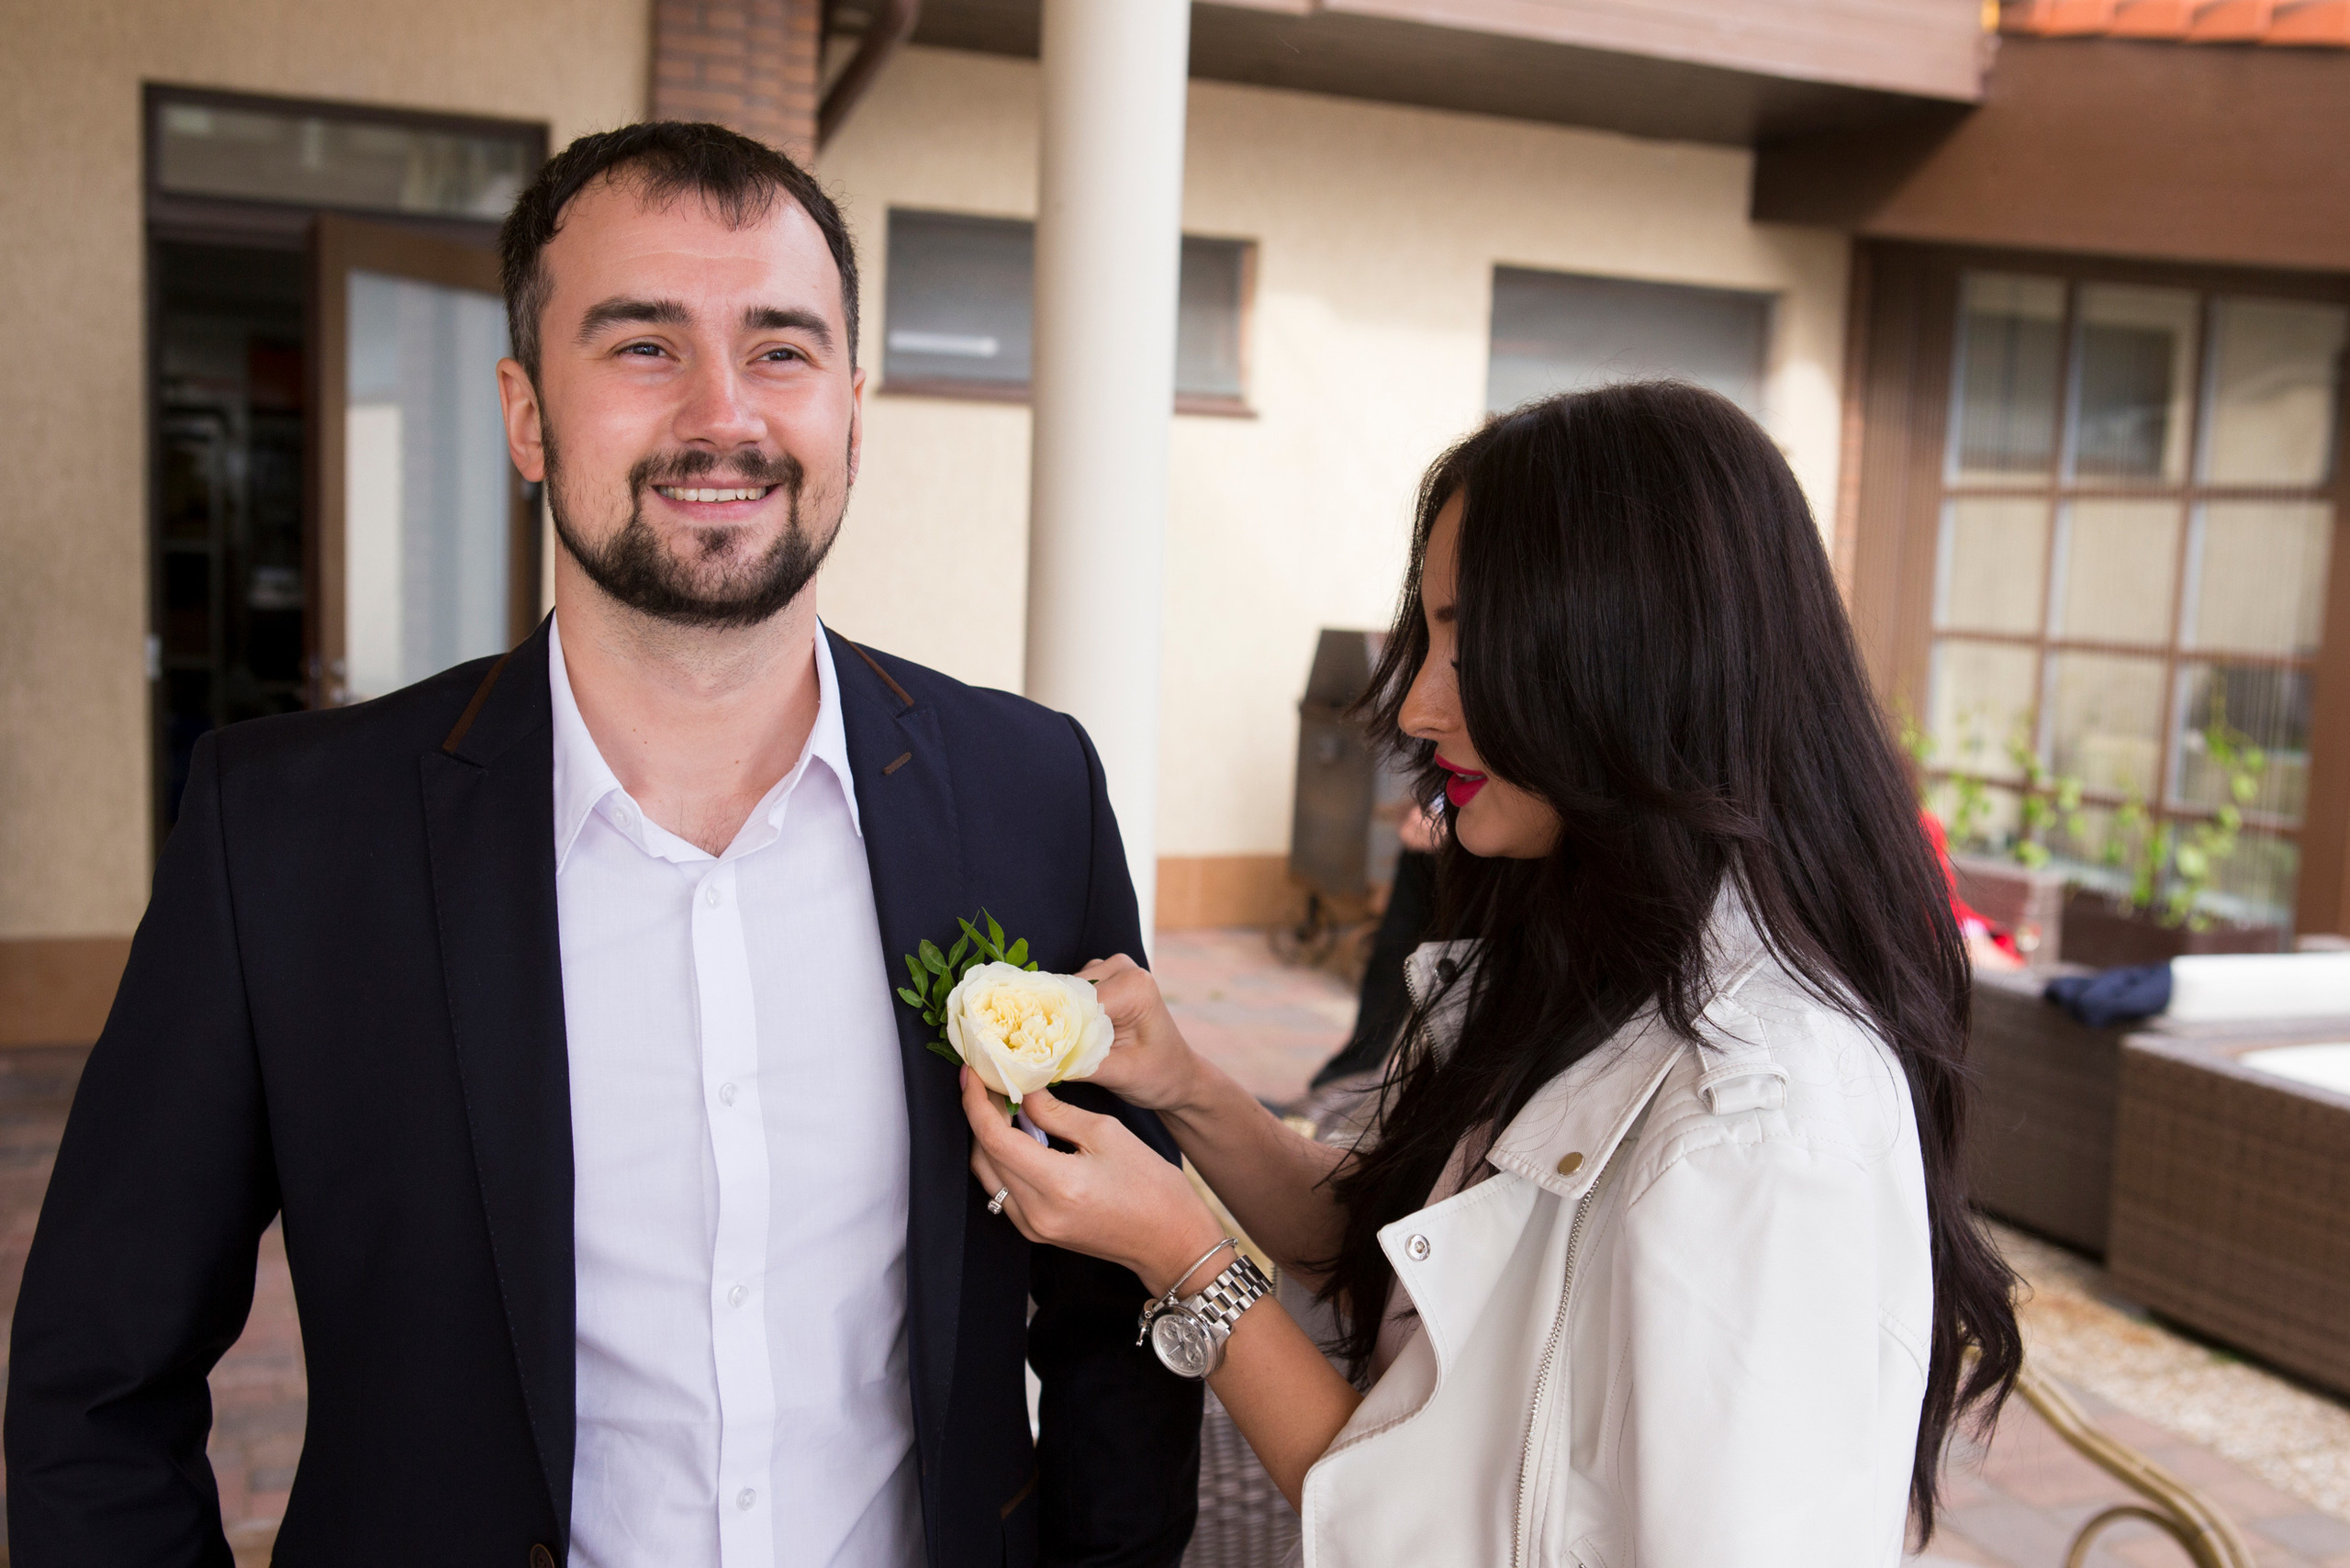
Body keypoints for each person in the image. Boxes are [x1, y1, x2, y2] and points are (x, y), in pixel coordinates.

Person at [5, 123, 1202, 1568]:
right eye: (644, 347)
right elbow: (98, 1384)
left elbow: (1115, 1325)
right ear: (526, 414)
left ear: (853, 411)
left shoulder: (1031, 790)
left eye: (780, 350)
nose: (723, 416)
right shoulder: (287, 834)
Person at [955, 383, 2022, 1565]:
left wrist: (1183, 1255)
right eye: (1431, 638)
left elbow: (1417, 1525)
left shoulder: (1759, 1122)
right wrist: (1187, 1088)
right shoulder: (1604, 967)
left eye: (1474, 646)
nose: (1415, 701)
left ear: (1637, 661)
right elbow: (1399, 1251)